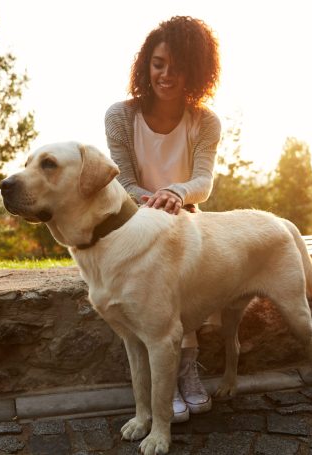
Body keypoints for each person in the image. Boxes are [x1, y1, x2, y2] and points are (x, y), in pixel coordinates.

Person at [104, 16, 221, 422]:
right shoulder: (120, 116)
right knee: (156, 288)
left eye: (177, 66)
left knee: (189, 280)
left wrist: (177, 193)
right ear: (145, 65)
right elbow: (122, 180)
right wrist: (153, 200)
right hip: (133, 224)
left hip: (185, 221)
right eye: (158, 63)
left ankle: (186, 370)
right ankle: (165, 379)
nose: (166, 74)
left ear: (196, 71)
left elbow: (203, 182)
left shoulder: (205, 122)